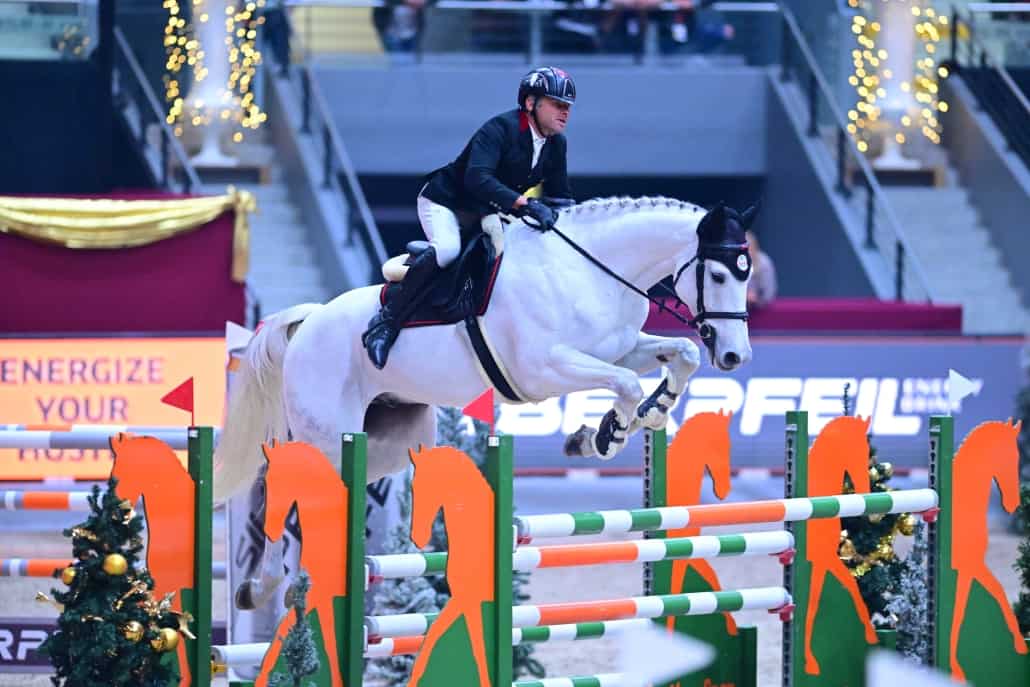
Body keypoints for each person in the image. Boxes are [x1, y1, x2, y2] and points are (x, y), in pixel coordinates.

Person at [361, 66, 577, 369]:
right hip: (446, 202)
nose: (565, 112)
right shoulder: (500, 128)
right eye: (557, 104)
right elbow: (477, 178)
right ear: (531, 103)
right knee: (448, 250)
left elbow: (560, 196)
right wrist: (524, 203)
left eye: (567, 106)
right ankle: (386, 323)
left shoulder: (556, 144)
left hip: (487, 209)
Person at [746, 230, 777, 309]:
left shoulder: (764, 263)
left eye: (749, 248)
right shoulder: (732, 263)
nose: (746, 252)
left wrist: (756, 298)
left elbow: (769, 294)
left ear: (754, 247)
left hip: (759, 309)